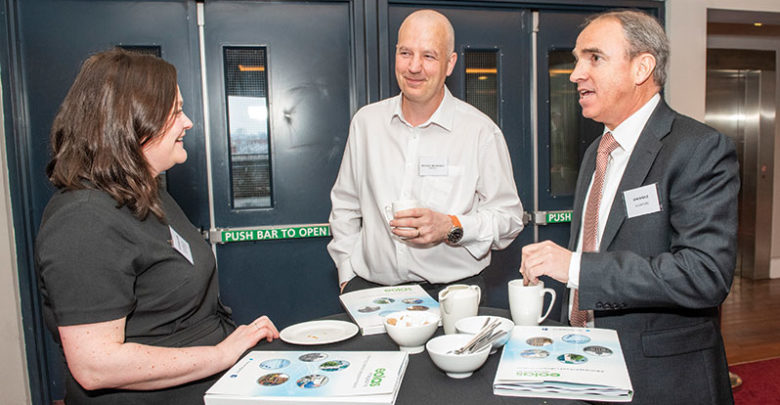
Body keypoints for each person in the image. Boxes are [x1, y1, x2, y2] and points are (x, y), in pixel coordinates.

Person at [35, 48, 279, 404]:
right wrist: (222, 354)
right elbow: (95, 366)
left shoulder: (147, 192)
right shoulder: (83, 219)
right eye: (176, 111)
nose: (188, 122)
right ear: (132, 121)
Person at [519, 10, 738, 404]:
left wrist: (575, 268)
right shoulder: (596, 152)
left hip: (662, 380)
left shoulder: (699, 148)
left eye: (594, 58)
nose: (576, 74)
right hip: (586, 363)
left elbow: (704, 274)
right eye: (577, 60)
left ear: (642, 68)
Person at [328, 9, 524, 298]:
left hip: (453, 295)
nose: (414, 67)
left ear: (450, 63)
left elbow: (509, 219)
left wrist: (452, 226)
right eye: (405, 53)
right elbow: (345, 205)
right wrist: (348, 274)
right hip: (371, 293)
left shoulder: (480, 132)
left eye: (429, 56)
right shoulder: (366, 123)